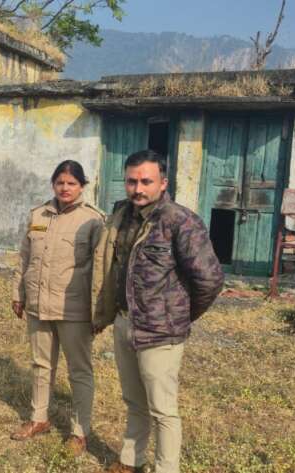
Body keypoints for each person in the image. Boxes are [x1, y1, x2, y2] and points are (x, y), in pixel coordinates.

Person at [92, 150, 224, 473]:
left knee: (163, 410)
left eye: (146, 181)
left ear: (163, 183)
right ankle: (130, 460)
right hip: (124, 322)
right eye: (131, 181)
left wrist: (179, 315)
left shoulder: (180, 221)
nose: (138, 189)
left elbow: (210, 279)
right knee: (133, 400)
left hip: (160, 332)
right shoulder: (121, 215)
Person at [9, 160, 104, 456]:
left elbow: (100, 269)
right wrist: (18, 292)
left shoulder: (93, 220)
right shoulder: (38, 214)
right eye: (60, 182)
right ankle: (39, 418)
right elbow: (25, 258)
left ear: (82, 186)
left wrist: (99, 310)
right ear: (53, 183)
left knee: (79, 371)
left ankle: (79, 432)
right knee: (41, 365)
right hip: (38, 304)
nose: (65, 188)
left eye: (72, 183)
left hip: (73, 309)